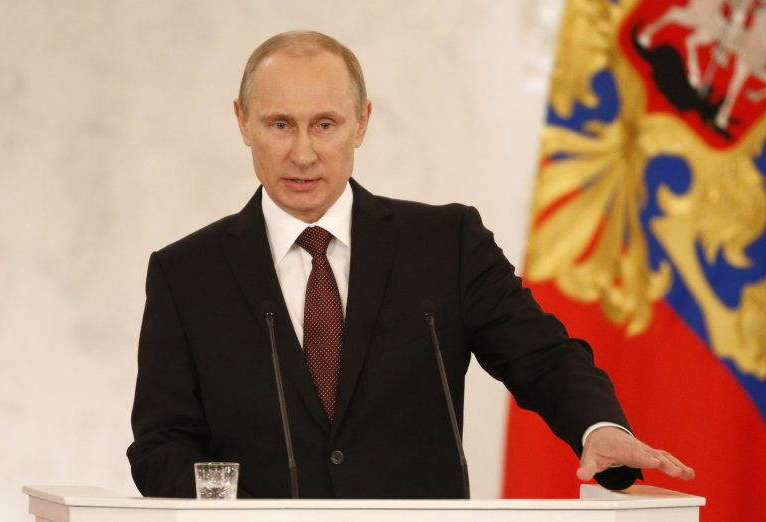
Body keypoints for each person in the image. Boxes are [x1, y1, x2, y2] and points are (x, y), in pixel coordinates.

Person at [127, 30, 694, 499]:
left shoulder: (445, 244)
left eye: (325, 124)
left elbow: (542, 357)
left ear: (362, 122)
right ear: (243, 122)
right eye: (280, 124)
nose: (302, 153)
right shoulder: (186, 274)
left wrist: (598, 427)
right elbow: (161, 443)